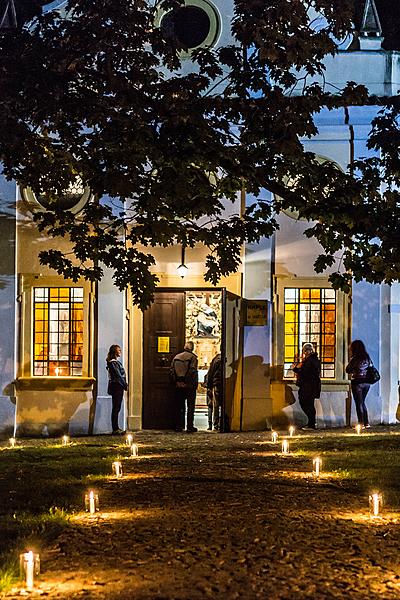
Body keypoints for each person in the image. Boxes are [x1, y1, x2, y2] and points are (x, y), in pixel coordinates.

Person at [170, 341, 198, 433]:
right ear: (192, 348)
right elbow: (192, 371)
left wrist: (177, 382)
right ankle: (190, 427)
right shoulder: (193, 357)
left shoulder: (176, 357)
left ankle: (178, 426)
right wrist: (186, 382)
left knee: (179, 406)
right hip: (189, 386)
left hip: (178, 386)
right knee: (190, 407)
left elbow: (172, 371)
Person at [292, 343, 321, 430]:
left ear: (307, 351)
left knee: (305, 403)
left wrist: (296, 369)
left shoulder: (310, 361)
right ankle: (311, 423)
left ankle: (311, 424)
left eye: (305, 351)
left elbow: (305, 372)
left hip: (308, 385)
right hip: (312, 385)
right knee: (309, 404)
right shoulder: (314, 360)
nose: (304, 353)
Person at [346, 339, 371, 429]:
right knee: (362, 402)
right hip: (367, 383)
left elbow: (347, 369)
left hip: (357, 382)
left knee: (358, 403)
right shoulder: (367, 357)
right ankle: (366, 422)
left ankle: (361, 423)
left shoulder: (355, 358)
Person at [106, 344, 128, 434]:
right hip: (117, 387)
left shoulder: (114, 362)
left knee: (116, 407)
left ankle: (116, 428)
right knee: (116, 408)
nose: (120, 352)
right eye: (119, 350)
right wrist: (125, 385)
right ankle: (115, 429)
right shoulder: (113, 363)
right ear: (115, 352)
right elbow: (119, 376)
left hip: (117, 386)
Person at [206, 353, 222, 431]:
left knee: (216, 404)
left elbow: (211, 373)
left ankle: (215, 424)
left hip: (217, 383)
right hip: (225, 382)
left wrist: (209, 386)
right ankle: (222, 423)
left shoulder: (216, 359)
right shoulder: (227, 358)